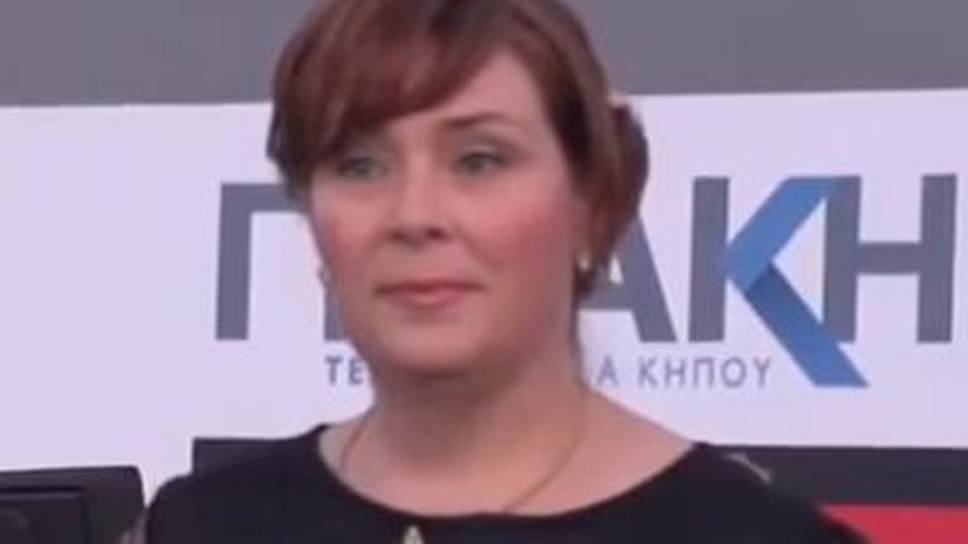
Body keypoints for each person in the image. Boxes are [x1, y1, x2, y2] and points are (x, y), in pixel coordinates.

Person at [133, 0, 866, 542]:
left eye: (479, 160)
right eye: (358, 164)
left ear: (593, 201)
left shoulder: (755, 537)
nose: (414, 214)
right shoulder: (199, 526)